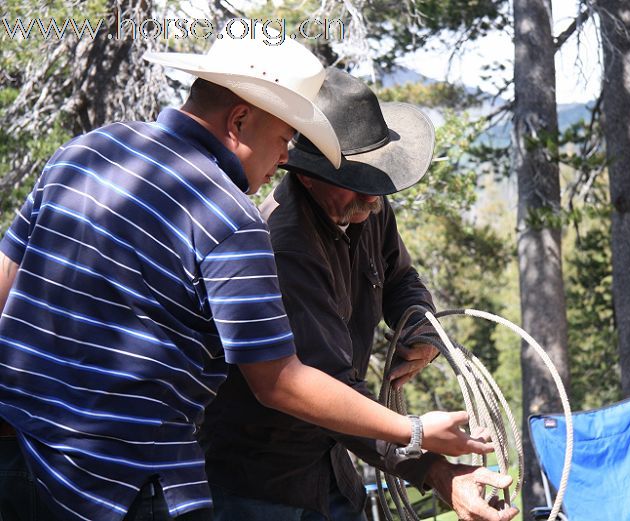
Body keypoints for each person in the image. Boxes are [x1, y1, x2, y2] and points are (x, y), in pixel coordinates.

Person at [0, 35, 492, 521]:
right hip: (126, 478)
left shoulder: (88, 149)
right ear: (239, 121)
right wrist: (414, 433)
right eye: (283, 140)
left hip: (20, 448)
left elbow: (6, 278)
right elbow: (280, 381)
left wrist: (419, 328)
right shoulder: (234, 221)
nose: (282, 158)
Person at [199, 68, 519, 521]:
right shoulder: (286, 247)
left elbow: (401, 278)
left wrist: (420, 328)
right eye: (359, 181)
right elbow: (326, 392)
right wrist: (434, 468)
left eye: (378, 181)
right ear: (308, 176)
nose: (374, 198)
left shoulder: (366, 203)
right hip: (261, 484)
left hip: (329, 467)